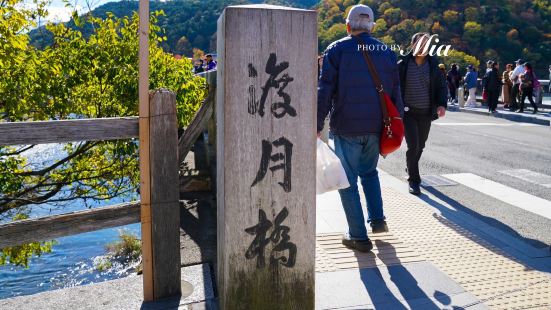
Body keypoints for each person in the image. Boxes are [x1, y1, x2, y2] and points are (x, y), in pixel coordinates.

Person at [317, 4, 403, 252]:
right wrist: (397, 127)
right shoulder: (386, 51)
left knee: (348, 180)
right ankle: (377, 220)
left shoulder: (337, 49)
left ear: (347, 26)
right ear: (372, 27)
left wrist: (316, 123)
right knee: (370, 173)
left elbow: (325, 90)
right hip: (378, 126)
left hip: (347, 125)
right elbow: (396, 92)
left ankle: (358, 236)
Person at [398, 32, 447, 196]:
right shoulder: (403, 65)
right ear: (412, 45)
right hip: (408, 112)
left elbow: (441, 87)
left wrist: (441, 105)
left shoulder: (434, 65)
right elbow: (395, 87)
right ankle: (414, 180)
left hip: (426, 112)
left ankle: (411, 165)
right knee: (414, 146)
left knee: (421, 145)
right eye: (420, 43)